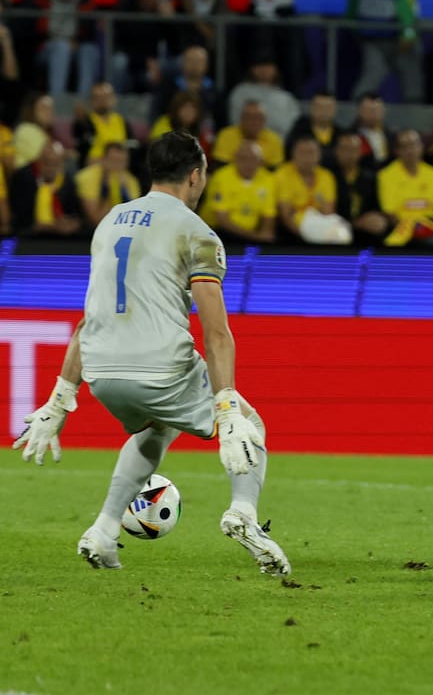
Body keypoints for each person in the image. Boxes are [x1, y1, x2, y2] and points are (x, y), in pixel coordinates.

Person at [12, 130, 291, 577]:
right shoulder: (197, 233)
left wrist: (60, 400)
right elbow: (216, 333)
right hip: (160, 367)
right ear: (196, 176)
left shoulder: (111, 221)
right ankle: (243, 513)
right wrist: (227, 407)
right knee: (248, 425)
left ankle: (103, 531)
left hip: (102, 373)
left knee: (156, 427)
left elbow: (89, 316)